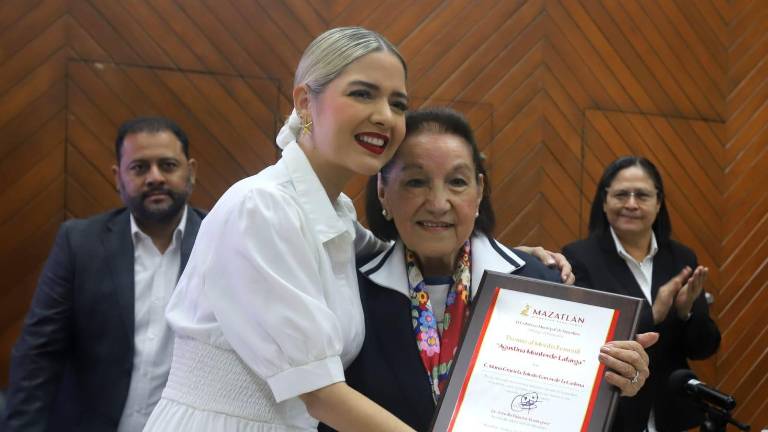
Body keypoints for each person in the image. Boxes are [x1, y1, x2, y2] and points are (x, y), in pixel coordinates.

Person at [143, 27, 421, 432]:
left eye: (398, 104)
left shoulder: (335, 213)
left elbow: (403, 256)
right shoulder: (262, 207)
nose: (385, 115)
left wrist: (521, 263)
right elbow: (321, 394)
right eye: (363, 94)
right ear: (306, 102)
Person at [328, 107, 655, 432]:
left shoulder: (540, 283)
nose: (439, 203)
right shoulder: (349, 291)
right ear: (383, 190)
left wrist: (622, 385)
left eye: (457, 182)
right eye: (416, 182)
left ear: (479, 191)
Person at [3, 117, 204, 432]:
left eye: (167, 165)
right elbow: (38, 353)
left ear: (191, 171)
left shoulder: (218, 244)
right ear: (118, 177)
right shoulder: (80, 244)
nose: (155, 178)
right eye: (139, 168)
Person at [562, 156, 721, 432]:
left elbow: (704, 348)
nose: (632, 204)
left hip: (672, 415)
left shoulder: (681, 258)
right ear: (604, 200)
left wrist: (686, 314)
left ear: (658, 203)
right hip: (614, 415)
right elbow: (584, 346)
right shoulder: (578, 258)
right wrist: (655, 314)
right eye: (622, 194)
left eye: (643, 195)